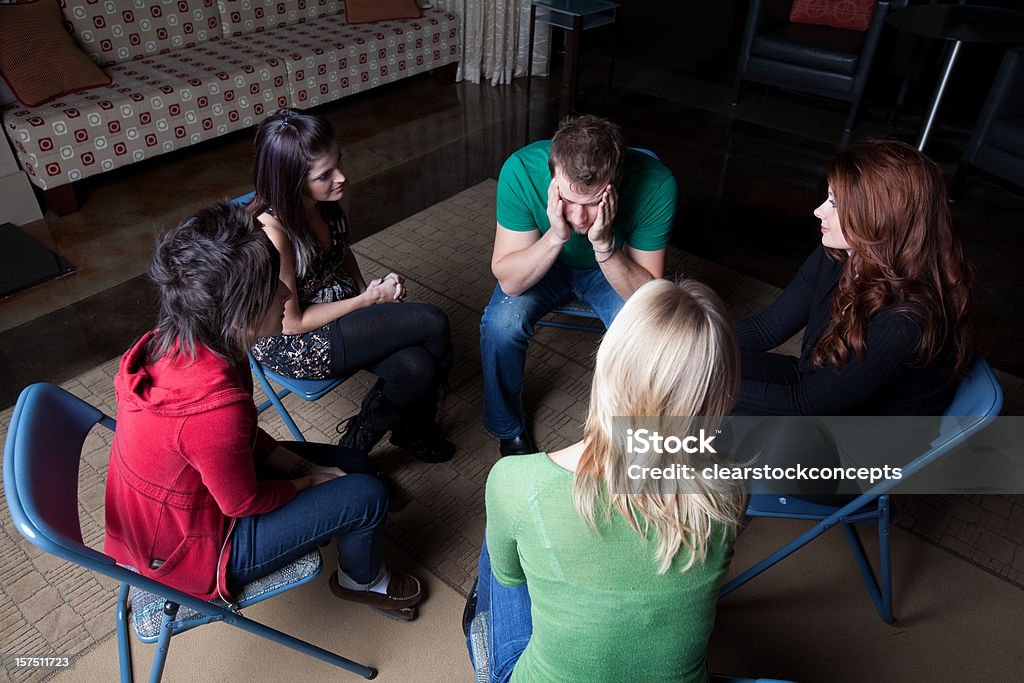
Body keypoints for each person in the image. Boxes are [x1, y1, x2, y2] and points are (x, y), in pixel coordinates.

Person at [104, 203, 425, 621]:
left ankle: (347, 518)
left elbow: (234, 442)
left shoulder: (200, 340)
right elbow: (242, 502)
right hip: (195, 549)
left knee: (356, 464)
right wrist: (308, 481)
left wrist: (295, 466)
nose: (288, 294)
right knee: (367, 496)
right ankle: (362, 581)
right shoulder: (212, 406)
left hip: (188, 505)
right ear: (237, 315)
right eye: (273, 288)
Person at [468, 278, 747, 682]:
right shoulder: (731, 486)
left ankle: (480, 636)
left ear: (609, 364)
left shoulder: (517, 481)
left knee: (499, 555)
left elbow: (513, 578)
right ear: (720, 396)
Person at [249, 108, 454, 463]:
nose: (341, 178)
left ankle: (356, 448)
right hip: (296, 340)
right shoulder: (274, 233)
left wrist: (367, 293)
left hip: (337, 303)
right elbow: (291, 322)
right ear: (291, 181)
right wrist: (368, 300)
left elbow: (342, 252)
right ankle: (414, 428)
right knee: (433, 322)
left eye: (338, 162)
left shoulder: (334, 196)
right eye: (324, 175)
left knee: (417, 367)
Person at [480, 114, 678, 456]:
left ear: (615, 183)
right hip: (545, 258)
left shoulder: (656, 184)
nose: (578, 218)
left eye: (592, 203)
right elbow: (510, 282)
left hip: (614, 262)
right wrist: (556, 236)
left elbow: (649, 299)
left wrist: (603, 245)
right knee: (501, 325)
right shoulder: (522, 170)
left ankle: (627, 435)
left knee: (647, 333)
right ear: (553, 174)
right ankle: (507, 427)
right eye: (568, 200)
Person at [734, 139, 974, 416]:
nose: (818, 211)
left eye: (834, 204)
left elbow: (803, 404)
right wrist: (683, 338)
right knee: (697, 363)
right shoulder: (839, 253)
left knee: (698, 399)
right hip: (817, 386)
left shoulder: (906, 322)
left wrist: (695, 386)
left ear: (877, 218)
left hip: (858, 436)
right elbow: (766, 328)